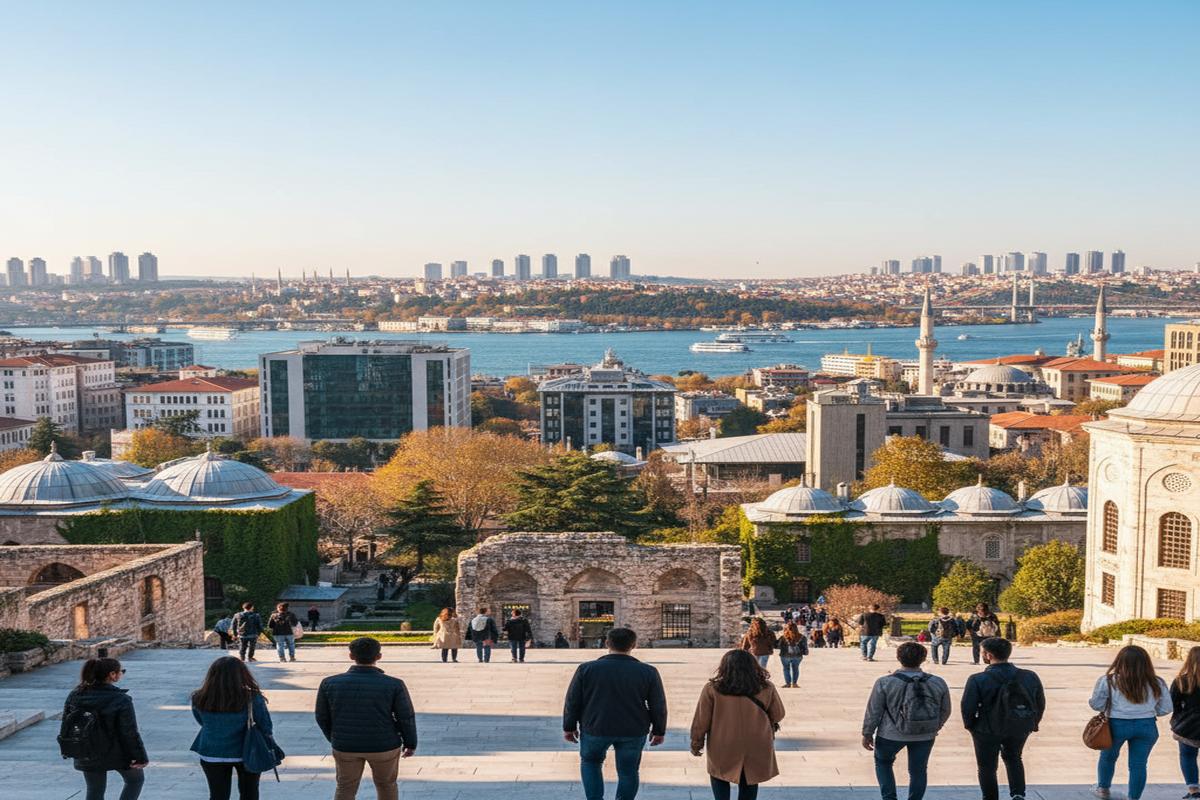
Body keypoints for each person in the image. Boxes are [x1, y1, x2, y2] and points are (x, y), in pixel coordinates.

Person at [563, 627, 667, 800]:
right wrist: (659, 730)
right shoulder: (648, 671)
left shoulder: (586, 669)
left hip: (595, 726)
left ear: (606, 643)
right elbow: (658, 705)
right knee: (629, 770)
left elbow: (573, 701)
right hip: (633, 728)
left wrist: (569, 726)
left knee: (591, 762)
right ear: (634, 645)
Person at [316, 637, 417, 800]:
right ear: (379, 657)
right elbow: (405, 717)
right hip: (384, 744)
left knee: (345, 787)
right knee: (387, 785)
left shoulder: (329, 683)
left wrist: (335, 737)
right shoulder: (394, 684)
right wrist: (410, 743)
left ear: (351, 656)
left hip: (345, 745)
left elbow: (322, 716)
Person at [690, 649, 785, 800]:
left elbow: (701, 720)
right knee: (750, 779)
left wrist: (696, 742)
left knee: (719, 775)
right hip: (756, 741)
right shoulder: (766, 687)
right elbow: (778, 714)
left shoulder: (713, 689)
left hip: (723, 741)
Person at [862, 641, 951, 800]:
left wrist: (867, 733)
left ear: (898, 657)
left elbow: (874, 711)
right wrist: (935, 726)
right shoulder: (938, 682)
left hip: (891, 733)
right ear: (923, 658)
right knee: (918, 770)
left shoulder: (885, 682)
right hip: (925, 734)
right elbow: (945, 710)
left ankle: (889, 797)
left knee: (883, 763)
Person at [960, 637, 1046, 800]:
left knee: (987, 766)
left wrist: (971, 726)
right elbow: (1040, 702)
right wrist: (1033, 723)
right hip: (1019, 725)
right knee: (1014, 758)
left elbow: (967, 707)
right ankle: (1018, 794)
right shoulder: (1029, 676)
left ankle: (990, 797)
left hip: (986, 728)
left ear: (988, 655)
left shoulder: (977, 679)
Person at [1090, 644, 1172, 800]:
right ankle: (1133, 797)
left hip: (1116, 724)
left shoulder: (1109, 680)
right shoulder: (1157, 682)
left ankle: (1103, 788)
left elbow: (1096, 705)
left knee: (1108, 757)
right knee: (1138, 764)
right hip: (1146, 725)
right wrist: (1148, 711)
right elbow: (1166, 708)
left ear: (1120, 661)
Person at [59, 657, 148, 800]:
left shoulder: (75, 695)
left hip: (86, 750)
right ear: (112, 675)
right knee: (135, 780)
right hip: (116, 752)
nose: (121, 674)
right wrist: (140, 757)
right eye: (121, 671)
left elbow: (66, 724)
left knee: (95, 789)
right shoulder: (120, 699)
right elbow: (129, 732)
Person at [190, 656, 275, 800]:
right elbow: (265, 726)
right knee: (250, 793)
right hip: (246, 751)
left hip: (211, 751)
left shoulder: (199, 697)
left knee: (218, 795)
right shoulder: (252, 697)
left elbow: (201, 721)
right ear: (243, 674)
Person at [1170, 646, 1200, 799]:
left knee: (1188, 756)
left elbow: (1172, 704)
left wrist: (1177, 721)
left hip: (1188, 726)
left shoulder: (1181, 681)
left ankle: (1194, 790)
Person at [777, 622, 808, 688]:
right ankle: (794, 683)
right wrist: (805, 652)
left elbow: (778, 646)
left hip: (785, 655)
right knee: (795, 669)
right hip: (797, 656)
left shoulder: (783, 637)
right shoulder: (802, 637)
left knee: (786, 669)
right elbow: (805, 647)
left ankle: (788, 683)